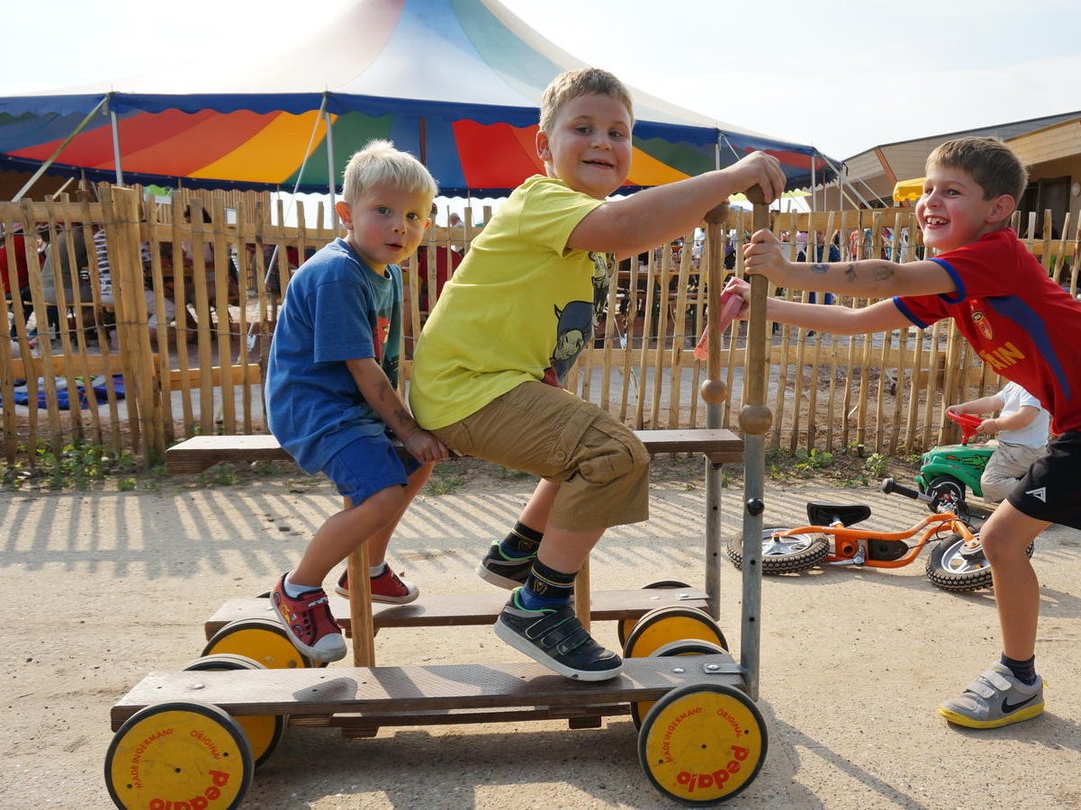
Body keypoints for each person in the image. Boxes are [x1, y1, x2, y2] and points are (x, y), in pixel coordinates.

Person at [739, 136, 1081, 728]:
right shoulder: (954, 286)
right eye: (927, 191)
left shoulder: (994, 255)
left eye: (952, 191)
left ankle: (1017, 681)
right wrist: (760, 303)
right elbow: (851, 319)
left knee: (998, 541)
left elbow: (883, 275)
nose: (929, 202)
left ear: (996, 209)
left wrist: (786, 269)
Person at [408, 67, 784, 681]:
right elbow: (630, 227)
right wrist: (734, 176)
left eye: (618, 131)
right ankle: (538, 605)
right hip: (467, 388)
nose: (603, 142)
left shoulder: (578, 222)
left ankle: (518, 552)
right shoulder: (541, 200)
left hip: (488, 383)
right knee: (615, 454)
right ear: (543, 145)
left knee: (586, 445)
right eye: (582, 128)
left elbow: (637, 228)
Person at [265, 139, 450, 663]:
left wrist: (410, 434)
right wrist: (407, 426)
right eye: (384, 211)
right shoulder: (338, 274)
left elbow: (381, 365)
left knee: (417, 463)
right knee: (384, 494)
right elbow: (364, 369)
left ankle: (365, 567)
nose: (400, 226)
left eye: (414, 216)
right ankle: (297, 588)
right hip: (316, 408)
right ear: (347, 213)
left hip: (352, 407)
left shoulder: (385, 272)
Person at [947, 380, 1050, 503]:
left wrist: (996, 425)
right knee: (983, 450)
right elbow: (992, 401)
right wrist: (963, 408)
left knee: (990, 483)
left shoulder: (1032, 387)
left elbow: (1024, 417)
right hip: (1012, 446)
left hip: (1023, 450)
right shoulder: (1016, 384)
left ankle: (1036, 495)